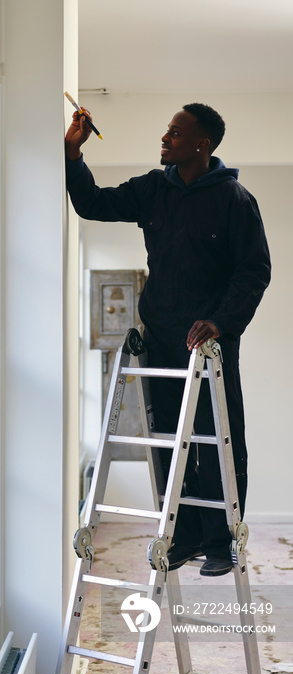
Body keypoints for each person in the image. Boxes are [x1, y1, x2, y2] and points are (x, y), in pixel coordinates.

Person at [66, 103, 271, 576]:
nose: (165, 138)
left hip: (209, 345)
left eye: (176, 133)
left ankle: (221, 543)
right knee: (167, 441)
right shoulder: (152, 190)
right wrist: (73, 154)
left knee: (215, 441)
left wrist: (219, 322)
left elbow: (254, 272)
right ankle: (182, 534)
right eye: (167, 131)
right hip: (159, 338)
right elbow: (94, 203)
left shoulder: (235, 201)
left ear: (202, 143)